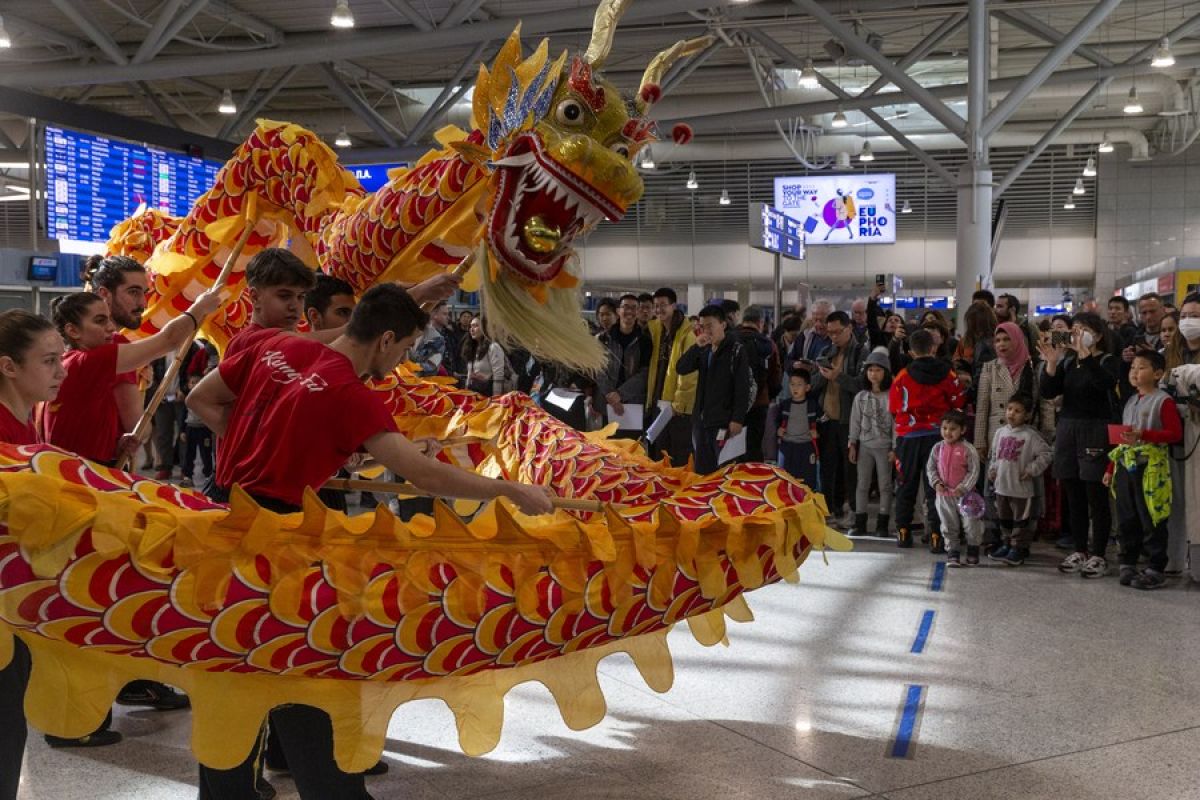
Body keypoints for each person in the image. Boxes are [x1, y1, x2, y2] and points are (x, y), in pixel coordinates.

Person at [186, 284, 554, 800]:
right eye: (404, 349)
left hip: (223, 517)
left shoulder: (277, 347)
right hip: (281, 542)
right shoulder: (351, 394)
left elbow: (199, 398)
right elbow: (426, 477)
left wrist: (271, 447)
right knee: (305, 672)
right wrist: (508, 490)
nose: (403, 359)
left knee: (231, 673)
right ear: (384, 339)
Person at [0, 310, 113, 800]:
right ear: (8, 366)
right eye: (48, 362)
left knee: (11, 728)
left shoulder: (29, 422)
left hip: (19, 607)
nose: (62, 372)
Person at [1038, 312, 1121, 578]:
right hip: (1068, 428)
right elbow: (1049, 392)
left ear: (1097, 335)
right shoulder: (1068, 362)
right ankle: (1079, 548)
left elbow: (1103, 384)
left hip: (1095, 429)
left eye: (1082, 329)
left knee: (1095, 494)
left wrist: (1086, 355)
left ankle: (1098, 553)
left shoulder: (1107, 361)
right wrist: (1051, 363)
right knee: (1072, 493)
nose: (1075, 334)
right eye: (1073, 329)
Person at [1107, 350, 1183, 590]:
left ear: (1157, 373)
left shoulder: (1163, 401)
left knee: (1151, 516)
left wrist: (1145, 435)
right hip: (1127, 465)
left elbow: (1175, 434)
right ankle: (1128, 560)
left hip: (1151, 468)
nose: (1135, 372)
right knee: (1127, 516)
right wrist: (1111, 467)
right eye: (1133, 368)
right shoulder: (1131, 400)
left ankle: (1155, 566)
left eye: (1141, 368)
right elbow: (1121, 440)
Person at [889, 329, 965, 551]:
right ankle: (936, 536)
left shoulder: (903, 376)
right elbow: (958, 401)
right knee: (936, 487)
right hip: (939, 438)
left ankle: (903, 532)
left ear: (911, 351)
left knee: (905, 485)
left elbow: (894, 407)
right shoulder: (948, 374)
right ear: (934, 347)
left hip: (908, 439)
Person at [84, 255, 148, 467]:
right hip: (100, 469)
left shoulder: (78, 340)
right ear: (104, 294)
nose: (143, 303)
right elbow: (138, 428)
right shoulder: (115, 344)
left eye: (144, 293)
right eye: (133, 292)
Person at [808, 310, 867, 527]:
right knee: (828, 469)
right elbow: (813, 385)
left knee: (850, 469)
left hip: (850, 420)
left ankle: (851, 510)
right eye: (829, 332)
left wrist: (837, 377)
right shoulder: (826, 351)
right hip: (827, 418)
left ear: (849, 328)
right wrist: (822, 376)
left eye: (837, 332)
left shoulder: (861, 352)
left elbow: (863, 385)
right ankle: (829, 510)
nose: (833, 337)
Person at [676, 304, 750, 475]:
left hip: (723, 422)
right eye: (702, 326)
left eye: (710, 325)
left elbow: (742, 387)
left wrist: (737, 419)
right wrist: (696, 347)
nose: (706, 330)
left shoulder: (736, 350)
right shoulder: (704, 349)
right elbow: (681, 368)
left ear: (722, 325)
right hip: (701, 422)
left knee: (725, 472)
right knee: (702, 472)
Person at [986, 394, 1053, 566]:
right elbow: (994, 455)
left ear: (1027, 415)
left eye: (1017, 411)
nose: (1011, 414)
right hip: (1002, 487)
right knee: (1004, 519)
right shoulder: (1000, 432)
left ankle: (1018, 548)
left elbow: (1046, 454)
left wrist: (1032, 470)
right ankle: (1006, 544)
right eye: (1009, 409)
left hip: (1021, 490)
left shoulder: (1030, 436)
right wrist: (992, 470)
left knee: (1021, 522)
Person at [645, 287, 697, 467]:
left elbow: (690, 375)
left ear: (674, 306)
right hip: (660, 401)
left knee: (679, 454)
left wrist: (678, 404)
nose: (659, 310)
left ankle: (680, 491)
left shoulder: (686, 334)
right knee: (660, 452)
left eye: (663, 305)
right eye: (656, 306)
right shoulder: (658, 331)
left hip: (677, 409)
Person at [847, 347, 894, 538]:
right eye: (870, 370)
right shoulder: (860, 397)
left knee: (885, 485)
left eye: (878, 370)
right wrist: (852, 443)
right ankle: (860, 522)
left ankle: (883, 522)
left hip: (884, 446)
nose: (874, 374)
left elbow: (896, 423)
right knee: (862, 484)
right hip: (865, 446)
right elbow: (855, 421)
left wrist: (895, 447)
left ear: (886, 372)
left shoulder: (891, 396)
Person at [927, 409, 983, 567]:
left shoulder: (968, 449)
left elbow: (974, 470)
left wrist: (964, 487)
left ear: (963, 430)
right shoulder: (937, 448)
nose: (947, 432)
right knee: (948, 525)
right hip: (944, 496)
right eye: (944, 428)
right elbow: (930, 468)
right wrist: (936, 482)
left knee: (971, 524)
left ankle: (973, 550)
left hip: (967, 497)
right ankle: (953, 553)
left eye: (952, 429)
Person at [595, 295, 651, 438]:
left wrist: (620, 394)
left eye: (634, 308)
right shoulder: (603, 339)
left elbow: (645, 374)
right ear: (619, 311)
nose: (629, 311)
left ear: (638, 312)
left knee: (631, 452)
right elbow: (598, 369)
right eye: (625, 307)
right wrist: (611, 396)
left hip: (632, 407)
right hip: (607, 405)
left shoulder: (645, 341)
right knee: (609, 451)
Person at [734, 306, 782, 463]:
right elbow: (775, 376)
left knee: (732, 451)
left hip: (733, 405)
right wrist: (768, 395)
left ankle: (732, 483)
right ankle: (753, 483)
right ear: (760, 322)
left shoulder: (730, 341)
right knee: (754, 448)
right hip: (759, 403)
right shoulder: (768, 344)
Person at [772, 368, 819, 488]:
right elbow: (776, 422)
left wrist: (817, 433)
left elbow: (822, 422)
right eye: (792, 384)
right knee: (784, 480)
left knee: (807, 481)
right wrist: (778, 430)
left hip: (806, 447)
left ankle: (806, 505)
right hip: (787, 446)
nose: (795, 388)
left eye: (799, 385)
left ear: (807, 388)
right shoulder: (784, 405)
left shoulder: (813, 405)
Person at [462, 316, 512, 396]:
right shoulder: (472, 348)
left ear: (485, 328)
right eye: (471, 326)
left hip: (488, 394)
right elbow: (469, 374)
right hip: (474, 393)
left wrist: (496, 398)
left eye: (475, 326)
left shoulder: (493, 347)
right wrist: (466, 393)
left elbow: (498, 376)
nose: (472, 329)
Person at [178, 373, 213, 488]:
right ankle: (187, 476)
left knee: (206, 453)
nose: (195, 385)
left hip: (203, 429)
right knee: (189, 453)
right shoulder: (187, 398)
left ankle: (208, 475)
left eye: (198, 382)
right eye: (192, 382)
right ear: (188, 385)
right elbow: (183, 416)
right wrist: (182, 430)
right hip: (190, 428)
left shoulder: (207, 398)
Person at [787, 299, 831, 369]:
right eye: (815, 320)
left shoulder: (838, 339)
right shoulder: (804, 336)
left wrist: (815, 368)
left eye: (823, 320)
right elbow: (788, 360)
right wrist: (795, 364)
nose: (818, 324)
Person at [412, 300, 451, 377]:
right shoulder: (412, 331)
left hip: (423, 384)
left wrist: (409, 367)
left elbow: (431, 367)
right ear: (433, 314)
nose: (448, 317)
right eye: (444, 314)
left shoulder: (437, 338)